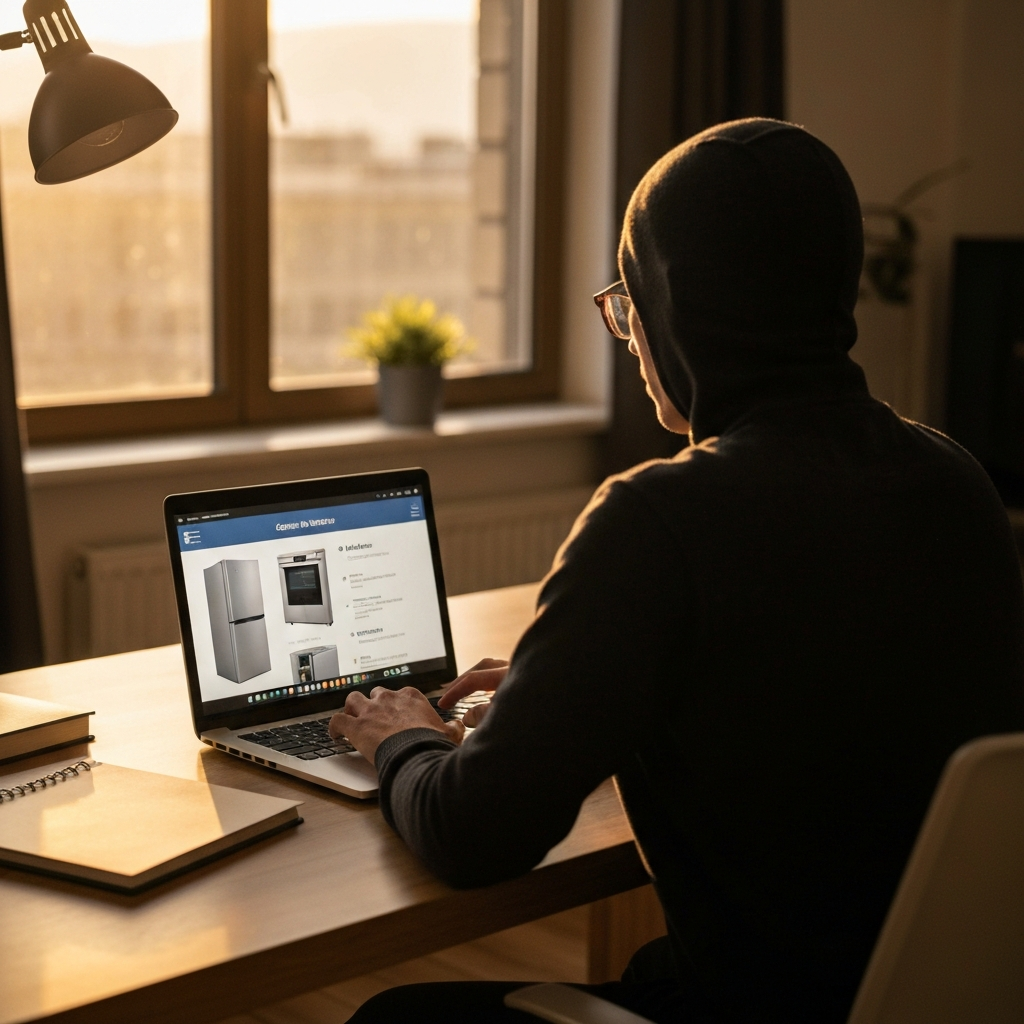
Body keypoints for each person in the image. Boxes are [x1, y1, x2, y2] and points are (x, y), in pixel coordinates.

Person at [336, 119, 1024, 1023]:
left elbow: (474, 835)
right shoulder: (955, 482)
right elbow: (803, 696)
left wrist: (404, 737)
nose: (628, 335)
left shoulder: (657, 520)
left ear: (675, 305)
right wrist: (574, 691)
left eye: (629, 302)